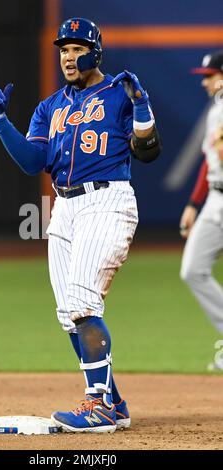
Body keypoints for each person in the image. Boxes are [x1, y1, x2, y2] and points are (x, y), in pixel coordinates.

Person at [0, 17, 161, 433]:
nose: (68, 56)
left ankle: (96, 406)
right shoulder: (50, 107)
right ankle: (112, 402)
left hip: (106, 200)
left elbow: (148, 152)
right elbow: (32, 162)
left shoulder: (118, 93)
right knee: (69, 314)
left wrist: (142, 106)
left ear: (96, 51)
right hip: (63, 208)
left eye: (77, 48)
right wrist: (1, 121)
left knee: (82, 302)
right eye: (63, 49)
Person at [180, 50, 223, 369]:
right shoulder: (214, 113)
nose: (205, 82)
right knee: (192, 269)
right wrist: (194, 204)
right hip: (215, 200)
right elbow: (210, 160)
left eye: (210, 76)